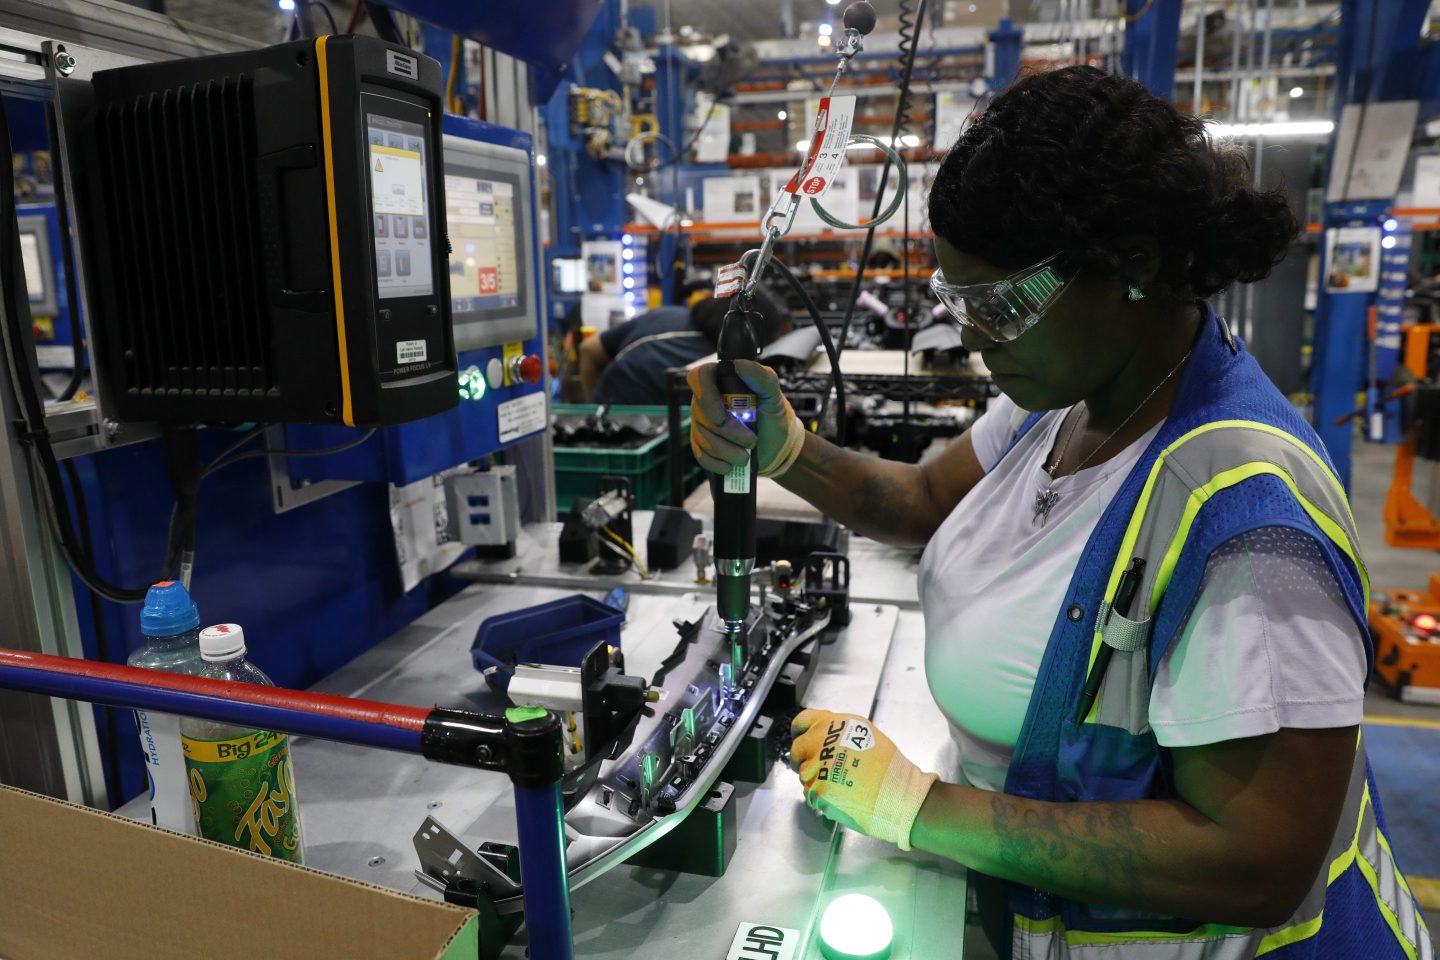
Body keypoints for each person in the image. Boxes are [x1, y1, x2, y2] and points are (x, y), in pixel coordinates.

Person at [688, 66, 1430, 959]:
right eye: (959, 304)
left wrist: (919, 806)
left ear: (1134, 266)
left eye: (1002, 306)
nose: (972, 338)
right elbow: (926, 500)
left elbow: (1258, 861)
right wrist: (787, 450)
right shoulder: (1069, 398)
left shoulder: (1249, 521)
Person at [580, 285, 790, 405]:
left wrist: (591, 408)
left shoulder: (667, 314)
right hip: (632, 441)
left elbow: (588, 349)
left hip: (598, 426)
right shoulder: (716, 364)